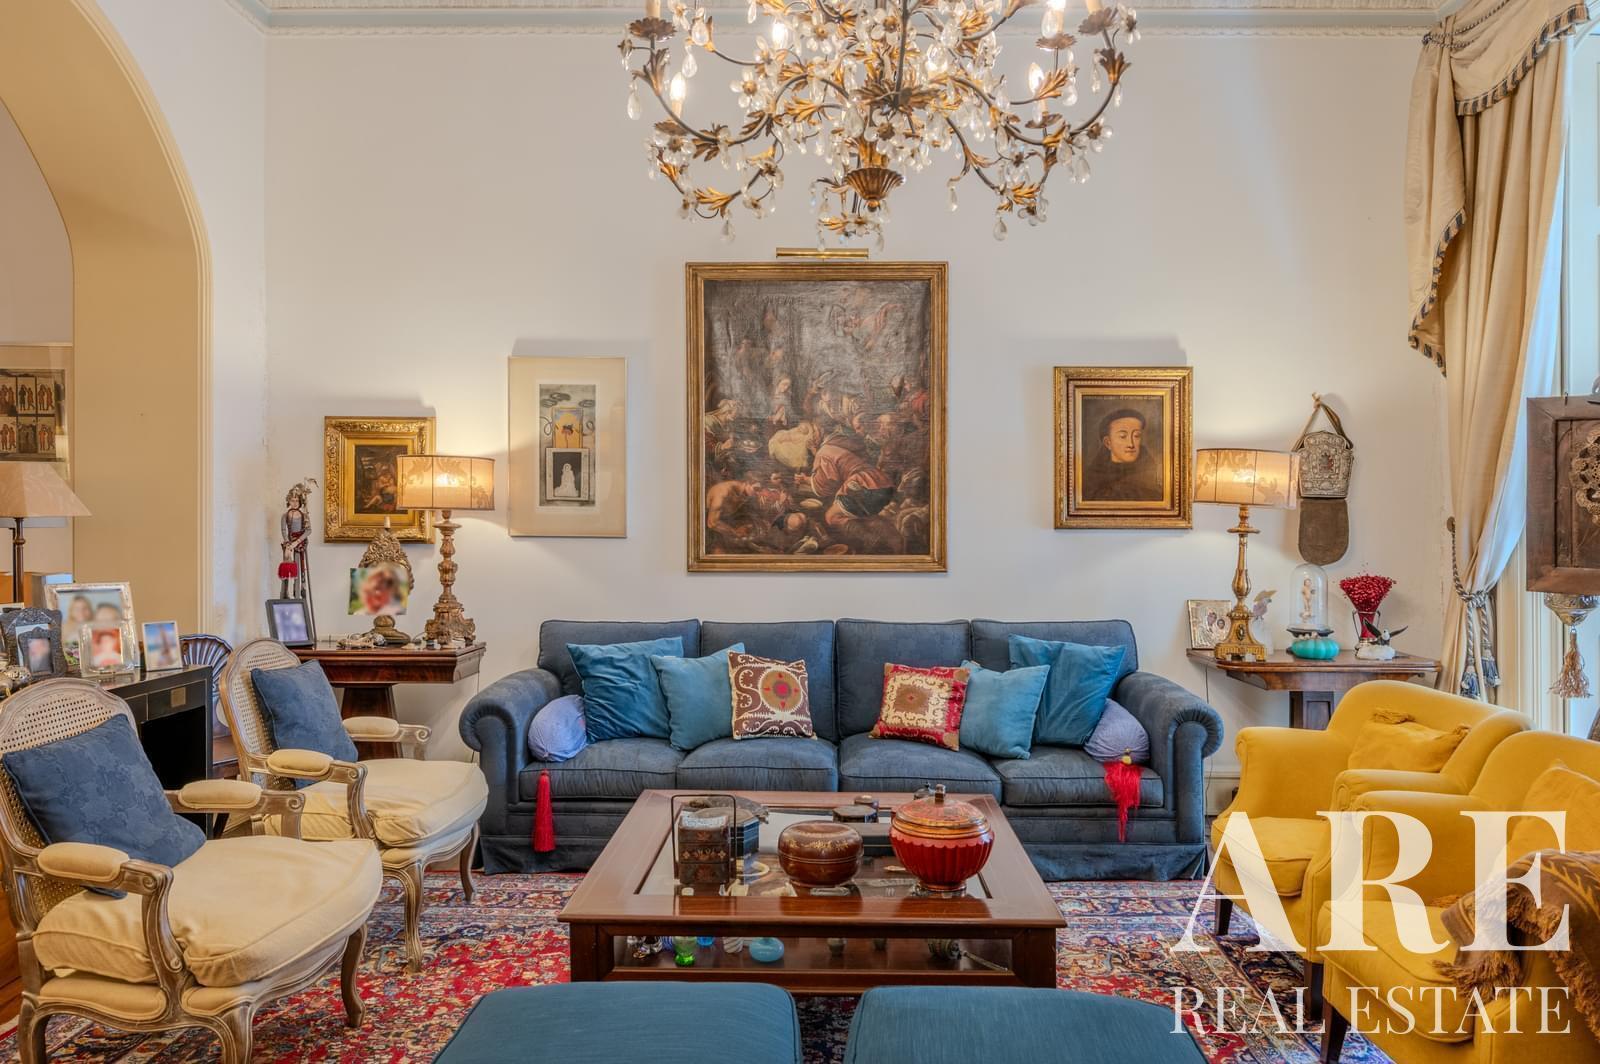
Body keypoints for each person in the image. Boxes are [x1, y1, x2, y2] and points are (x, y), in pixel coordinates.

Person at [1080, 407, 1163, 502]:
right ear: (1108, 443)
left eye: (1137, 436)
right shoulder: (1092, 480)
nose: (1131, 444)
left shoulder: (1150, 476)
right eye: (1123, 436)